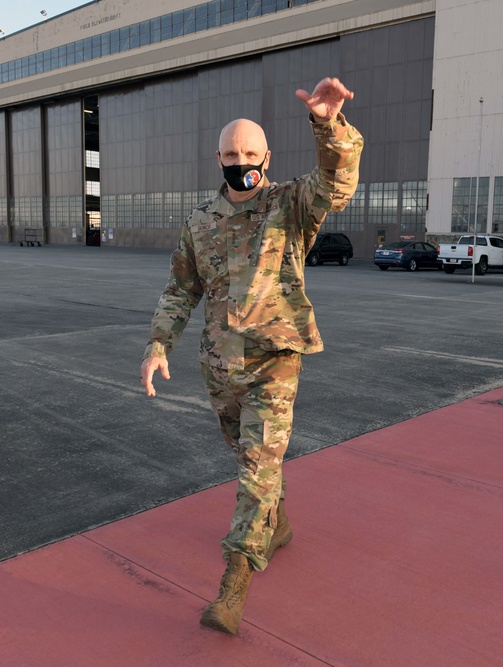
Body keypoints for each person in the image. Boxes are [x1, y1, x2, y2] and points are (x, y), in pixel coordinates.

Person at [139, 77, 363, 635]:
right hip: (219, 366)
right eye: (232, 153)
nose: (241, 161)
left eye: (250, 153)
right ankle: (277, 522)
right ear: (218, 157)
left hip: (275, 359)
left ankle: (233, 583)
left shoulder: (290, 205)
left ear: (267, 156)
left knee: (258, 466)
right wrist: (158, 344)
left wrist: (328, 124)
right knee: (249, 460)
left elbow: (338, 182)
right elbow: (180, 289)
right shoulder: (198, 222)